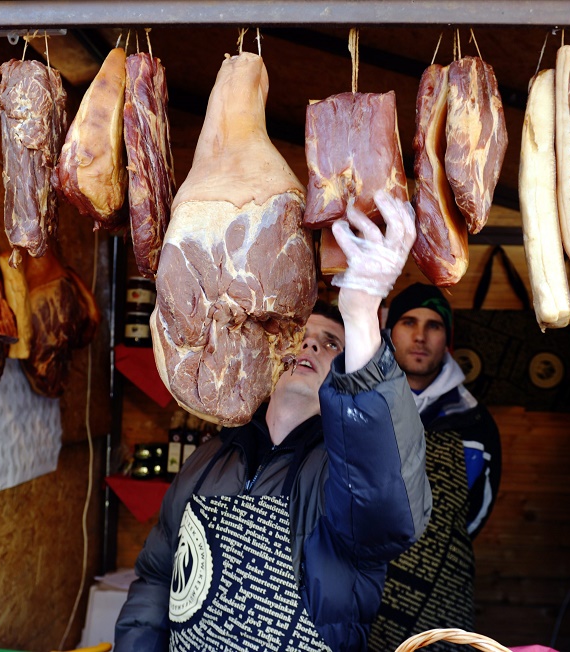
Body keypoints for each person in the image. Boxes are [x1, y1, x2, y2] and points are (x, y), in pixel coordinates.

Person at [115, 192, 431, 652]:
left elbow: (388, 508)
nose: (311, 348)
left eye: (331, 344)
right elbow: (157, 578)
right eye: (302, 339)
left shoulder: (343, 475)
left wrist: (361, 315)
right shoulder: (209, 459)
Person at [368, 283, 502, 652]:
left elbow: (476, 512)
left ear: (448, 339)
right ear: (388, 332)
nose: (421, 336)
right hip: (364, 586)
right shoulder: (359, 406)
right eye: (409, 322)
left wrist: (434, 547)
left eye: (434, 325)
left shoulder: (474, 423)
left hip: (440, 597)